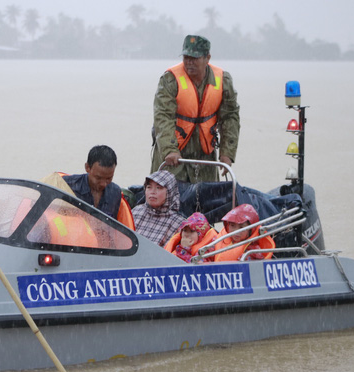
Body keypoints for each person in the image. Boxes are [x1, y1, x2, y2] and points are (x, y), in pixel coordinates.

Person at [151, 35, 240, 183]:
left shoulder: (223, 80)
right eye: (186, 57)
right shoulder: (170, 79)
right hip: (174, 155)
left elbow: (230, 117)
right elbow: (163, 116)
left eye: (194, 58)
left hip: (205, 155)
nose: (189, 62)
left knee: (207, 199)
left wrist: (227, 153)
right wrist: (169, 150)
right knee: (166, 197)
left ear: (207, 58)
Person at [62, 145, 134, 229]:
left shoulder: (115, 192)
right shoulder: (67, 185)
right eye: (98, 178)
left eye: (109, 178)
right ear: (87, 167)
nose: (103, 184)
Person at [132, 170, 184, 247]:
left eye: (158, 188)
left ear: (169, 192)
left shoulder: (179, 223)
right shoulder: (136, 211)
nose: (152, 192)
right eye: (149, 187)